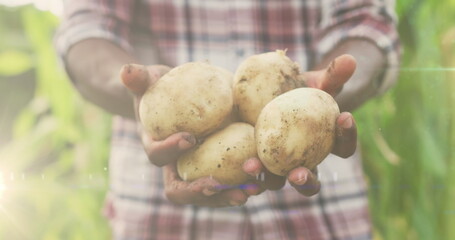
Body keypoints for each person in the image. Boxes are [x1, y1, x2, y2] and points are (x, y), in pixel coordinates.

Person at [55, 0, 400, 239]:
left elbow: (369, 24)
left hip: (323, 212)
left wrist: (330, 90)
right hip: (158, 214)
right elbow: (85, 31)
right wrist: (141, 94)